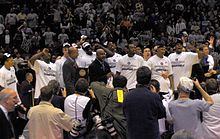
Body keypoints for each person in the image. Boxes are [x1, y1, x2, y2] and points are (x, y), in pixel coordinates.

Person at [123, 66, 166, 139]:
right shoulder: (154, 96)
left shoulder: (127, 96)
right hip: (151, 135)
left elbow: (125, 114)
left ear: (136, 79)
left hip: (133, 135)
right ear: (150, 80)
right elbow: (162, 114)